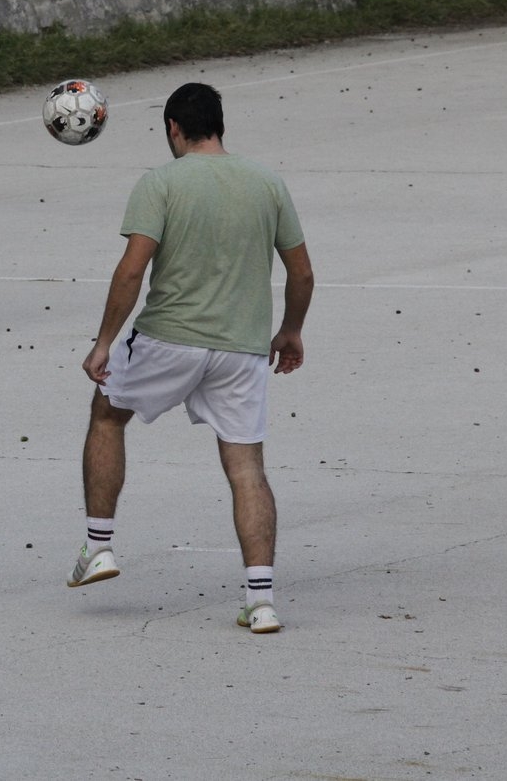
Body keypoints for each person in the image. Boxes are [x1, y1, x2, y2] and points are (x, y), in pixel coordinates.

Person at [67, 82, 313, 635]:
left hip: (169, 339)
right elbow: (301, 272)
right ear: (220, 125)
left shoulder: (161, 183)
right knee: (246, 467)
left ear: (174, 129)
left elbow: (132, 270)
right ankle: (262, 601)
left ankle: (98, 546)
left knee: (107, 414)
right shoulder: (267, 182)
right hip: (243, 349)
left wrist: (104, 341)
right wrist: (291, 331)